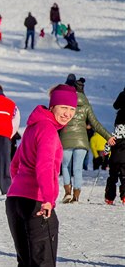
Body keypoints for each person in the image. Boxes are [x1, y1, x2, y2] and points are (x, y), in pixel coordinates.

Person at [6, 84, 77, 267]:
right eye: (64, 107)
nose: (68, 113)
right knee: (42, 262)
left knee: (26, 261)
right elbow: (44, 166)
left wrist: (21, 186)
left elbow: (14, 165)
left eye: (72, 109)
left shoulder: (32, 127)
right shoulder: (48, 130)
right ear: (52, 106)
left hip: (15, 201)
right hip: (37, 203)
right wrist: (47, 199)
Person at [59, 74, 115, 203]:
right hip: (82, 141)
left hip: (66, 139)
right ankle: (76, 196)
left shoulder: (66, 104)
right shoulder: (86, 106)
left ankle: (67, 192)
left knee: (66, 166)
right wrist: (108, 136)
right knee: (78, 168)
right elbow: (96, 124)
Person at [104, 124, 125, 205]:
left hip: (114, 161)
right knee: (124, 178)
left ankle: (109, 197)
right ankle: (124, 196)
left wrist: (105, 157)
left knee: (112, 179)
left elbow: (106, 149)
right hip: (124, 161)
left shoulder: (113, 139)